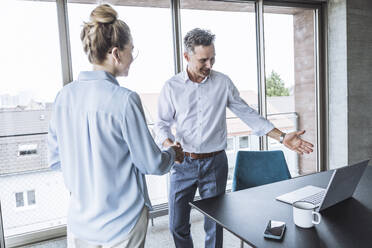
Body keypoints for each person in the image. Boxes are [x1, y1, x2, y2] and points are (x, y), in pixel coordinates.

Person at [154, 28, 313, 248]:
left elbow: (247, 113)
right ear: (187, 57)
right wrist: (169, 144)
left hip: (215, 163)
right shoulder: (171, 87)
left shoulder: (223, 82)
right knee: (176, 225)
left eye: (212, 58)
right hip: (183, 163)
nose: (209, 66)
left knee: (215, 225)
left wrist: (282, 136)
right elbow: (161, 124)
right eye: (203, 60)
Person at [47, 4, 183, 248]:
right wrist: (173, 154)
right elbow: (151, 163)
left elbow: (56, 159)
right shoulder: (125, 100)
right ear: (115, 53)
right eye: (131, 50)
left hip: (80, 223)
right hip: (123, 223)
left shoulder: (62, 97)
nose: (132, 57)